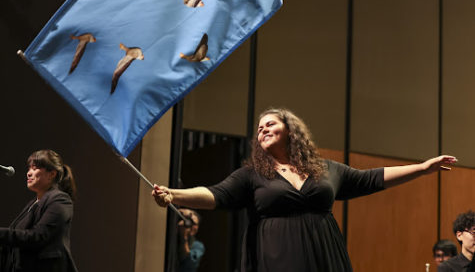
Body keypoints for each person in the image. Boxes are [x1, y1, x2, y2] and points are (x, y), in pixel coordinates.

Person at [153, 108, 457, 272]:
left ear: (290, 130)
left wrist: (422, 168)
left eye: (270, 124)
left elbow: (371, 178)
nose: (262, 130)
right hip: (277, 257)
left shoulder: (326, 169)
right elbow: (216, 194)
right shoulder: (253, 174)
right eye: (259, 129)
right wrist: (174, 195)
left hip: (325, 255)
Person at [0, 149, 78, 272]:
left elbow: (38, 236)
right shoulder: (32, 204)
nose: (29, 173)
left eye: (35, 168)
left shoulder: (60, 200)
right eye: (29, 168)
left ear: (52, 174)